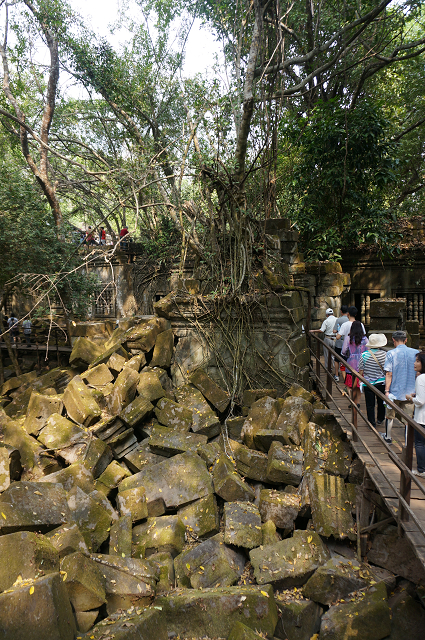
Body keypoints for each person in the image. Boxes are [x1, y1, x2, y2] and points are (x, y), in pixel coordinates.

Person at [383, 330, 418, 444]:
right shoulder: (416, 353)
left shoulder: (391, 353)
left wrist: (386, 390)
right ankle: (407, 443)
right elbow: (418, 373)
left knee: (389, 415)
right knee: (408, 419)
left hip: (394, 391)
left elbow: (389, 373)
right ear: (406, 340)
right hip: (411, 391)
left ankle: (388, 437)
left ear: (393, 340)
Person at [358, 333, 387, 429]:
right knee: (381, 402)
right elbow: (387, 369)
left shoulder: (364, 355)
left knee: (370, 404)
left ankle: (371, 422)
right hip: (381, 382)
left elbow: (361, 370)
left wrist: (360, 380)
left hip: (368, 383)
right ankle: (380, 418)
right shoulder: (385, 354)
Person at [406, 352, 425, 477]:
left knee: (420, 443)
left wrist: (410, 398)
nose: (414, 363)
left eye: (417, 361)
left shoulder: (421, 378)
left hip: (422, 417)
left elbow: (420, 401)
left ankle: (421, 470)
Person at [342, 320, 367, 409]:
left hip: (351, 363)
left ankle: (353, 400)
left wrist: (348, 355)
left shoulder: (348, 338)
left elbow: (343, 351)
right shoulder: (365, 339)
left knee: (349, 385)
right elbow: (368, 350)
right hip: (362, 364)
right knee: (358, 384)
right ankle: (358, 402)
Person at [311, 308, 336, 373]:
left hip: (328, 338)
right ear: (333, 314)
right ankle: (336, 370)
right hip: (335, 339)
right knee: (334, 355)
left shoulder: (326, 321)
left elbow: (321, 330)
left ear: (326, 315)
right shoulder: (337, 319)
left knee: (327, 354)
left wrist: (313, 330)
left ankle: (328, 369)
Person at [333, 305, 349, 381]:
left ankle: (336, 375)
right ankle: (348, 375)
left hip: (339, 342)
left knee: (337, 359)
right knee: (347, 359)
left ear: (341, 311)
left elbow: (334, 331)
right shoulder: (349, 320)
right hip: (348, 343)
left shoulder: (338, 320)